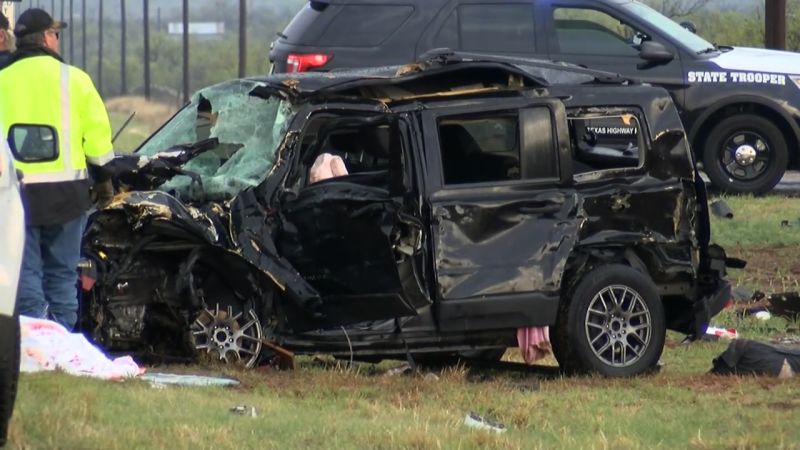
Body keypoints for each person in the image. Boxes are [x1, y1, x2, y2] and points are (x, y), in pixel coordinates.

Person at [0, 8, 115, 330]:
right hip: (67, 195)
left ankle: (34, 344)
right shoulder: (74, 79)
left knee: (25, 273)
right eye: (56, 34)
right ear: (47, 38)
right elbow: (97, 138)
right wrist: (104, 181)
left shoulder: (2, 80)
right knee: (63, 275)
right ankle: (62, 344)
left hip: (14, 197)